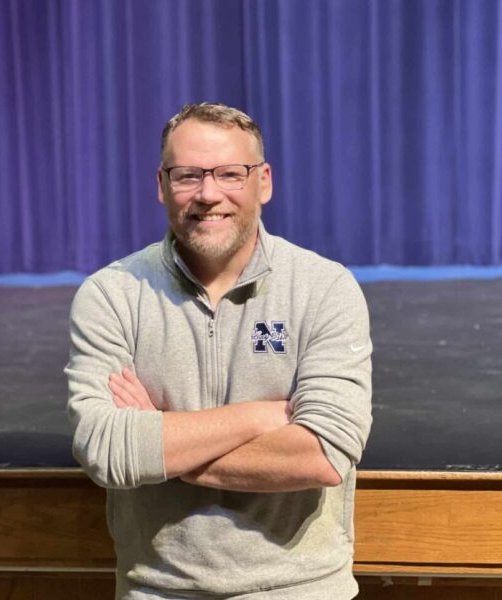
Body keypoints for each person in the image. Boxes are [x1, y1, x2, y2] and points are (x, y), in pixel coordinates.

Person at [65, 102, 372, 600]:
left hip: (303, 589)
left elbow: (323, 454)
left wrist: (159, 443)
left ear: (264, 182)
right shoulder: (111, 294)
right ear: (162, 185)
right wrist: (258, 417)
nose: (208, 194)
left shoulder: (325, 288)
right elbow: (107, 450)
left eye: (231, 174)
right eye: (188, 175)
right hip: (158, 590)